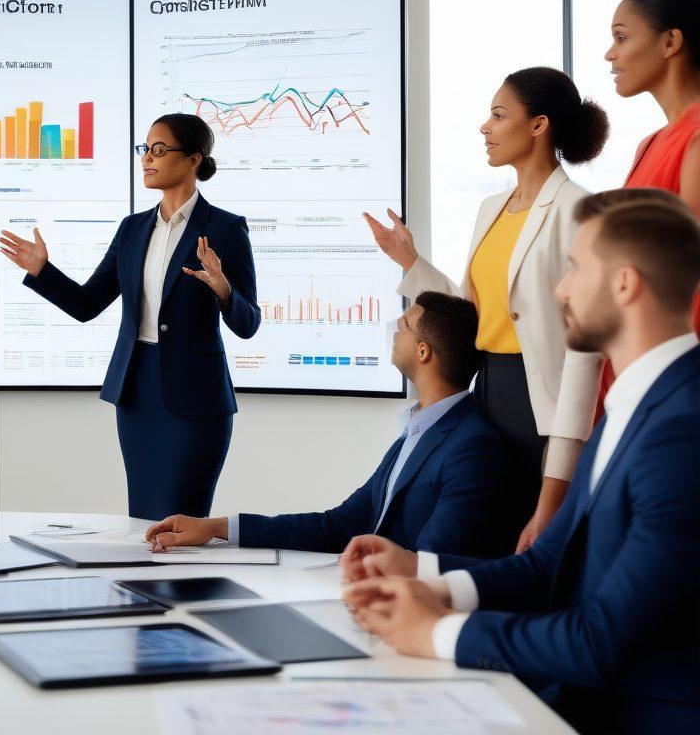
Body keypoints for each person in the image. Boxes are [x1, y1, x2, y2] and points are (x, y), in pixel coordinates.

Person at [342, 189, 700, 735]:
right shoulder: (630, 409)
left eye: (574, 269)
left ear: (625, 284)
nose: (559, 289)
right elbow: (544, 567)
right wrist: (421, 575)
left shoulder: (682, 430)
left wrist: (437, 633)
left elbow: (600, 640)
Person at [366, 67, 608, 551]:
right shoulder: (490, 209)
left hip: (539, 405)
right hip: (485, 392)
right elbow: (472, 312)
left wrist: (557, 481)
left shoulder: (580, 210)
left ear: (538, 126)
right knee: (487, 540)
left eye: (499, 115)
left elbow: (586, 354)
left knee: (535, 543)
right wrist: (411, 262)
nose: (485, 127)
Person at [0, 113, 259, 520]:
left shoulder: (225, 229)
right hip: (137, 395)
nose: (147, 159)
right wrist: (42, 272)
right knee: (142, 520)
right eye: (145, 149)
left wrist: (223, 287)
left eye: (159, 149)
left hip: (196, 399)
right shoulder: (132, 229)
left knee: (181, 524)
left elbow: (249, 324)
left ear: (193, 160)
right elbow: (87, 305)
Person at [144, 292, 507, 559]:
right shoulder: (417, 430)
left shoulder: (472, 446)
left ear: (424, 352)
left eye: (406, 325)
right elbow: (340, 525)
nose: (395, 329)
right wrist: (217, 528)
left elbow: (435, 561)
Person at [597, 0, 700, 409]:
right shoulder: (650, 144)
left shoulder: (696, 138)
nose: (609, 53)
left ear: (669, 42)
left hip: (666, 385)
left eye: (621, 37)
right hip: (627, 372)